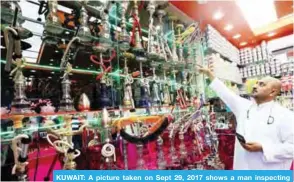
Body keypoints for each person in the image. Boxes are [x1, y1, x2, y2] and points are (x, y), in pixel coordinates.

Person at [198, 64, 294, 170]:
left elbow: (291, 148)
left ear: (273, 91)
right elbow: (225, 93)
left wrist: (263, 148)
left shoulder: (286, 115)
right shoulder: (245, 106)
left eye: (261, 84)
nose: (254, 86)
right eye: (256, 83)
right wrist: (209, 74)